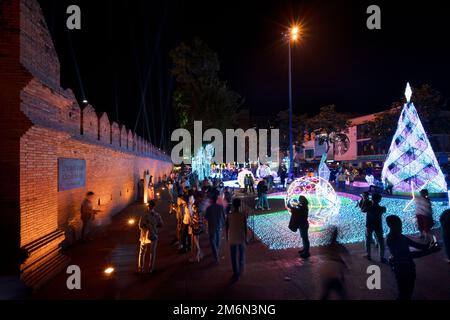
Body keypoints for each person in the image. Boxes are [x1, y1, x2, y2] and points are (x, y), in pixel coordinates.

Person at [386, 215, 439, 300]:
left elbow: (416, 245)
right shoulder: (393, 239)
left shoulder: (399, 236)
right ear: (392, 226)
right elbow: (408, 255)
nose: (401, 226)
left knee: (407, 290)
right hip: (402, 268)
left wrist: (429, 246)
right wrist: (430, 250)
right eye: (399, 224)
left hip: (406, 266)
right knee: (404, 292)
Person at [318, 226, 351, 300]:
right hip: (333, 270)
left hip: (326, 268)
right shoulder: (338, 245)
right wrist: (345, 268)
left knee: (326, 292)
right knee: (340, 292)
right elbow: (343, 256)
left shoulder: (327, 245)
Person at [137, 200, 163, 274]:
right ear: (154, 206)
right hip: (154, 235)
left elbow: (140, 226)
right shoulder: (157, 215)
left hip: (144, 236)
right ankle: (151, 269)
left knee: (142, 252)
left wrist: (147, 226)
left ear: (148, 206)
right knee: (152, 252)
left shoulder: (143, 215)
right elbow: (161, 224)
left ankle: (140, 268)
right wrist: (154, 227)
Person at [226, 198, 248, 281]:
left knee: (233, 256)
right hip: (241, 237)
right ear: (240, 205)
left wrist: (227, 237)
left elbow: (227, 228)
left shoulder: (229, 215)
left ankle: (236, 273)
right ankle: (241, 270)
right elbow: (245, 228)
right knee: (241, 255)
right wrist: (246, 238)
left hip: (232, 237)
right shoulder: (243, 215)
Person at [363, 193, 387, 263]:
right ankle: (382, 258)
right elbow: (383, 210)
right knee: (381, 242)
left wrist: (365, 200)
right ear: (380, 200)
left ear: (372, 199)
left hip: (369, 226)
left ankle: (368, 255)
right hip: (378, 226)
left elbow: (362, 210)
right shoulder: (382, 208)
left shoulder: (369, 208)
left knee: (367, 241)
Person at [205, 193, 226, 263]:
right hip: (219, 225)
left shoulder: (209, 208)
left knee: (212, 240)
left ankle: (215, 253)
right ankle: (216, 250)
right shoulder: (221, 207)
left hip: (212, 226)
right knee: (218, 239)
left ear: (211, 200)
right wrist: (223, 224)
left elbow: (206, 217)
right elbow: (224, 216)